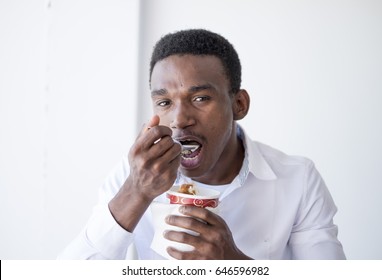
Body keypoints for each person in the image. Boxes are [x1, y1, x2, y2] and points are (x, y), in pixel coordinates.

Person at [58, 29, 346, 260]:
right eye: (164, 103)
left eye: (200, 99)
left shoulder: (297, 179)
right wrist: (136, 192)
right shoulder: (135, 172)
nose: (179, 120)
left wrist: (234, 264)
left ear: (239, 104)